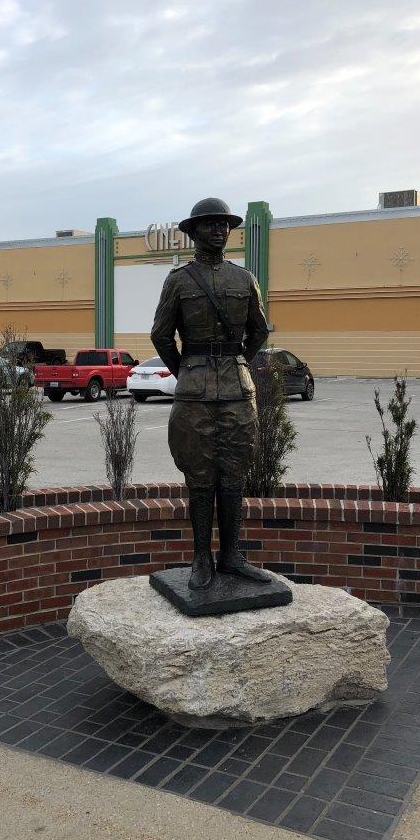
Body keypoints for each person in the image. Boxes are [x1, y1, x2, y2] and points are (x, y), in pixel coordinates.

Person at [150, 198, 272, 590]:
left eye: (224, 224)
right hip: (194, 392)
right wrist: (189, 370)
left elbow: (259, 330)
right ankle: (202, 557)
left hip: (237, 389)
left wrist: (235, 364)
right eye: (210, 224)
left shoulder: (244, 278)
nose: (219, 230)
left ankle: (232, 556)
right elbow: (160, 335)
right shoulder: (179, 281)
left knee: (234, 474)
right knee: (200, 477)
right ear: (193, 231)